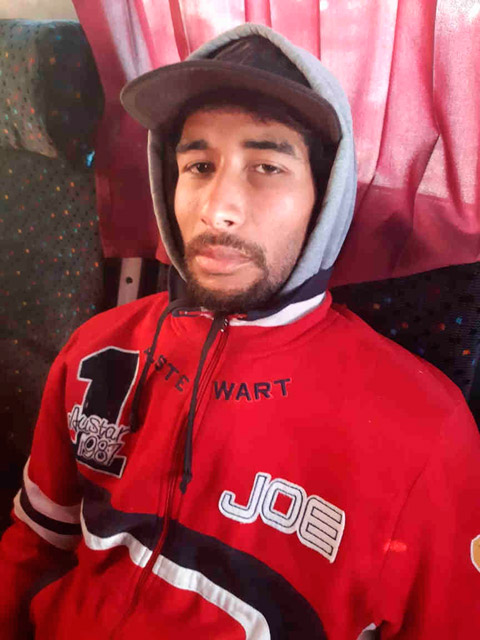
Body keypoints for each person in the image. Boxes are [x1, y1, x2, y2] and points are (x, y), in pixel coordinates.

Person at [0, 22, 479, 640]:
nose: (217, 209)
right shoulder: (97, 348)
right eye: (199, 165)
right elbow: (36, 545)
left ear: (324, 197)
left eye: (267, 167)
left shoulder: (426, 434)